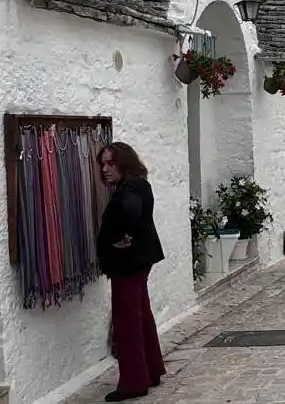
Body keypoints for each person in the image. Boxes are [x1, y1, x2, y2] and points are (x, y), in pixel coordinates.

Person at [97, 142, 166, 402]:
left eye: (111, 163)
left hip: (128, 263)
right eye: (103, 164)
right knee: (141, 314)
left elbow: (130, 210)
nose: (105, 169)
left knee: (126, 322)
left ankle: (134, 382)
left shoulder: (131, 189)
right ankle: (151, 369)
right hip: (138, 260)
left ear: (124, 164)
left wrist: (121, 236)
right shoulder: (138, 185)